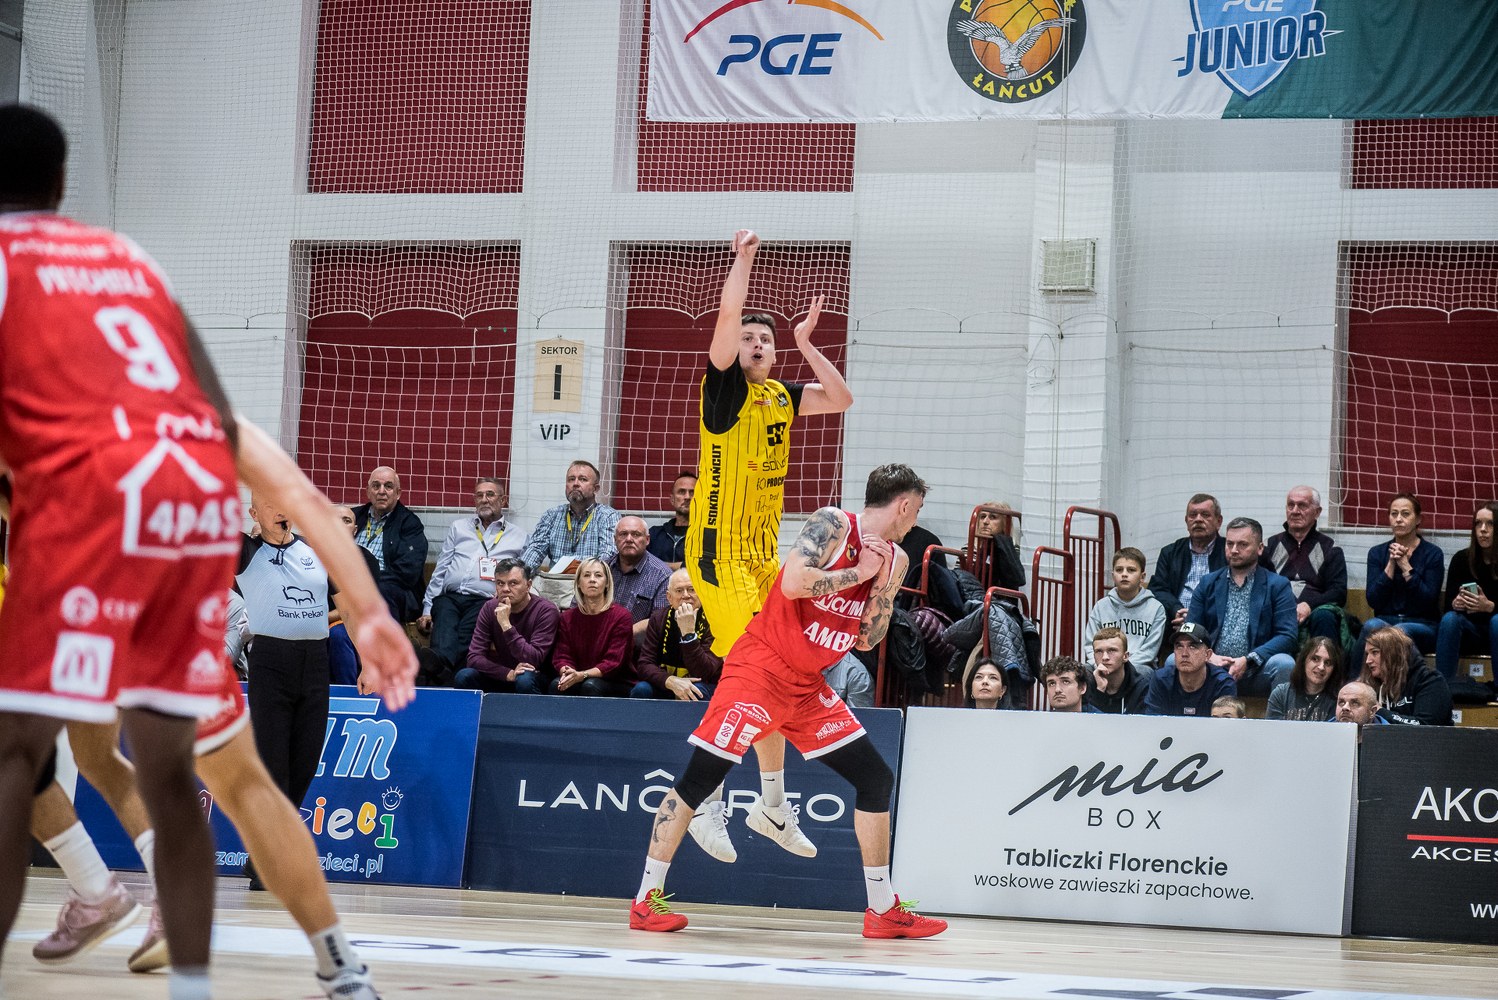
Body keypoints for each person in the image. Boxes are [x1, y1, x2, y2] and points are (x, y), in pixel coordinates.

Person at [0, 103, 414, 999]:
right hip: (187, 510)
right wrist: (369, 610)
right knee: (211, 770)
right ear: (63, 187)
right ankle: (339, 967)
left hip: (85, 515)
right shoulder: (134, 273)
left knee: (18, 756)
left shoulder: (16, 281)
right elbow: (291, 486)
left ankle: (104, 890)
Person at [630, 464, 944, 939]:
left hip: (807, 683)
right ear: (903, 505)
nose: (915, 520)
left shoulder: (897, 559)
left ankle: (882, 909)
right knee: (700, 778)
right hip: (760, 668)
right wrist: (859, 571)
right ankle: (645, 901)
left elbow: (866, 639)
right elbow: (794, 583)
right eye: (916, 509)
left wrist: (880, 586)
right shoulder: (832, 523)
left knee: (876, 778)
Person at [682, 229, 855, 863]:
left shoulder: (781, 395)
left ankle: (772, 806)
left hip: (763, 559)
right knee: (753, 675)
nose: (757, 344)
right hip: (720, 556)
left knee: (780, 671)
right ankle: (709, 802)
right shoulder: (724, 392)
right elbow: (729, 313)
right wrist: (745, 259)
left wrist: (807, 343)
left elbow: (841, 398)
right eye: (749, 338)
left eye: (767, 340)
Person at [236, 495, 339, 822]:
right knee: (273, 766)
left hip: (316, 663)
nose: (281, 509)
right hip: (271, 663)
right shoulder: (246, 551)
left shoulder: (316, 549)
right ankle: (270, 850)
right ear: (253, 513)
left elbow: (348, 606)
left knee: (305, 764)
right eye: (270, 503)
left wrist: (368, 660)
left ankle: (272, 843)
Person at [417, 478, 525, 677]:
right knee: (443, 614)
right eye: (479, 495)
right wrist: (427, 609)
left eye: (490, 494)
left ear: (503, 500)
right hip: (451, 597)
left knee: (468, 630)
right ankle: (446, 671)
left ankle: (439, 668)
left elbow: (523, 577)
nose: (484, 499)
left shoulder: (519, 536)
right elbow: (441, 570)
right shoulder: (459, 527)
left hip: (485, 600)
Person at [1180, 518, 1298, 697]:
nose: (1234, 550)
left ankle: (1279, 716)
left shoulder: (1278, 585)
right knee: (1173, 661)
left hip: (1255, 670)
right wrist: (1207, 656)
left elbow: (1287, 636)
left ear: (1260, 548)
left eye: (1242, 544)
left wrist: (1249, 659)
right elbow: (1190, 629)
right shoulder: (1207, 583)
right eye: (1230, 544)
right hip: (1211, 667)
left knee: (1284, 664)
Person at [1354, 493, 1444, 677]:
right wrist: (1391, 564)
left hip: (1422, 625)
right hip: (1386, 620)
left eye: (1405, 514)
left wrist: (1405, 567)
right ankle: (1355, 684)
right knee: (1371, 625)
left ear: (1418, 519)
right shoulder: (1377, 553)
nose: (1398, 519)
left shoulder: (1433, 554)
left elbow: (1428, 601)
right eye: (1394, 514)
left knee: (1400, 631)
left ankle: (1401, 688)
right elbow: (1373, 600)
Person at [1260, 486, 1349, 647]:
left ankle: (1323, 662)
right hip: (1277, 609)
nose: (1295, 511)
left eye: (1302, 506)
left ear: (1317, 512)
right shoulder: (1269, 546)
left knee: (1325, 616)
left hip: (1316, 612)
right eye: (1291, 505)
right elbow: (1259, 586)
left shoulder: (1330, 548)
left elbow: (1338, 593)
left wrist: (1309, 605)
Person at [458, 558, 560, 693]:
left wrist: (506, 625)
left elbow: (533, 660)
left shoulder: (546, 611)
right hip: (505, 676)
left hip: (537, 678)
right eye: (500, 583)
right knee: (464, 676)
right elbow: (474, 658)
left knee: (524, 678)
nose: (505, 589)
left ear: (528, 585)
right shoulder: (489, 608)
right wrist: (508, 674)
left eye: (513, 583)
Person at [551, 558, 638, 696]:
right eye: (586, 575)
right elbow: (562, 655)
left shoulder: (622, 616)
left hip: (616, 681)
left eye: (598, 575)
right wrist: (568, 672)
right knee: (558, 685)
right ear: (578, 583)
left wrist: (582, 675)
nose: (592, 580)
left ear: (607, 583)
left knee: (590, 686)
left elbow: (613, 663)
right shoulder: (567, 618)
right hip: (578, 677)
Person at [352, 466, 429, 623]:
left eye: (388, 486)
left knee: (381, 592)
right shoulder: (353, 516)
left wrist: (369, 581)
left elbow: (408, 571)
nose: (381, 491)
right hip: (350, 582)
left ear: (398, 493)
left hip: (392, 589)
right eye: (376, 486)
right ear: (368, 491)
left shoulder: (410, 524)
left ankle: (384, 639)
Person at [635, 569, 723, 701]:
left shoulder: (715, 621)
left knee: (696, 690)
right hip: (669, 684)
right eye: (679, 590)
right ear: (669, 597)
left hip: (704, 685)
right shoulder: (658, 618)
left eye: (691, 589)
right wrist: (669, 680)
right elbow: (644, 665)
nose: (686, 595)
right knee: (641, 689)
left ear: (701, 592)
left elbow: (704, 673)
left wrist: (688, 634)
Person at [1436, 502, 1498, 683]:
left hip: (1495, 629)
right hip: (1470, 631)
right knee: (1450, 618)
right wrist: (1456, 604)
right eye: (1478, 523)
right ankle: (1443, 689)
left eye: (1490, 524)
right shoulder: (1461, 559)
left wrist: (1490, 607)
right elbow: (1447, 606)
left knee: (1497, 621)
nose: (1483, 529)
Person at [519, 460, 620, 571]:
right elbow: (535, 550)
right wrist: (521, 575)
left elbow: (607, 558)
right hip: (555, 580)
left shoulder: (608, 516)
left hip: (590, 578)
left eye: (583, 479)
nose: (575, 484)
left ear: (595, 489)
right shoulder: (552, 515)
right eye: (571, 479)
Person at [1082, 547, 1166, 671]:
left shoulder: (1156, 608)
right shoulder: (1101, 606)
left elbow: (1149, 652)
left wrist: (1121, 668)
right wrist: (1101, 665)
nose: (1124, 574)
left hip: (1138, 667)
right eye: (1119, 570)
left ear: (1142, 577)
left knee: (1144, 672)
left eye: (1131, 570)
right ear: (1113, 576)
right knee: (1083, 672)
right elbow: (1090, 645)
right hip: (1103, 664)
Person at [328, 505, 383, 686]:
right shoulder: (311, 556)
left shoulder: (367, 561)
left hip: (354, 622)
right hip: (313, 621)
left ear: (355, 530)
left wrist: (321, 618)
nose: (340, 524)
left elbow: (358, 607)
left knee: (338, 635)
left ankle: (349, 692)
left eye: (347, 521)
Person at [1151, 494, 1227, 621]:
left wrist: (1197, 616)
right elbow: (1158, 589)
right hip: (1177, 621)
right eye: (1193, 515)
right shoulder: (1170, 553)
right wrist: (1176, 610)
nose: (1198, 519)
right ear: (1187, 521)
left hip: (1214, 623)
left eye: (1205, 515)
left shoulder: (1230, 552)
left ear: (1218, 521)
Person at [1362, 626, 1453, 726]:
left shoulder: (1430, 680)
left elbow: (1424, 725)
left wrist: (1380, 712)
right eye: (1367, 654)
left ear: (1394, 653)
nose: (1368, 661)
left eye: (1375, 652)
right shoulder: (1371, 684)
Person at [1145, 623, 1237, 717]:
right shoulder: (1161, 680)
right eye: (1179, 646)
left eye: (1192, 647)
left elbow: (1224, 724)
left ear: (1207, 654)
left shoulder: (1222, 683)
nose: (1184, 654)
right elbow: (1153, 722)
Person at [610, 516, 672, 635]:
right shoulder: (602, 569)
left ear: (647, 540)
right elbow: (579, 607)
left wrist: (624, 634)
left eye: (636, 534)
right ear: (615, 539)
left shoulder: (662, 575)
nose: (629, 539)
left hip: (638, 643)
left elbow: (661, 622)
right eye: (623, 534)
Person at [1266, 637, 1343, 722]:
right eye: (1315, 659)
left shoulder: (1339, 699)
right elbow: (1273, 729)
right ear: (1303, 660)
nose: (1321, 667)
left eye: (1328, 663)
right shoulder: (1281, 694)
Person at [1084, 626, 1148, 714]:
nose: (1105, 657)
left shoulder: (1141, 687)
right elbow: (1090, 721)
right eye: (1099, 651)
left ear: (1125, 656)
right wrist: (1100, 690)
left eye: (1112, 650)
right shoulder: (1086, 685)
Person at [972, 502, 1025, 591]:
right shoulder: (968, 548)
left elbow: (1015, 580)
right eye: (982, 517)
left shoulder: (1012, 551)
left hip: (995, 597)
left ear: (1004, 523)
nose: (985, 522)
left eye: (993, 517)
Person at [648, 472, 695, 569]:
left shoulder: (707, 535)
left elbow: (707, 566)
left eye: (692, 492)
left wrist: (662, 566)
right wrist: (684, 565)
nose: (687, 497)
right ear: (672, 499)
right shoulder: (654, 535)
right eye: (681, 492)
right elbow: (641, 562)